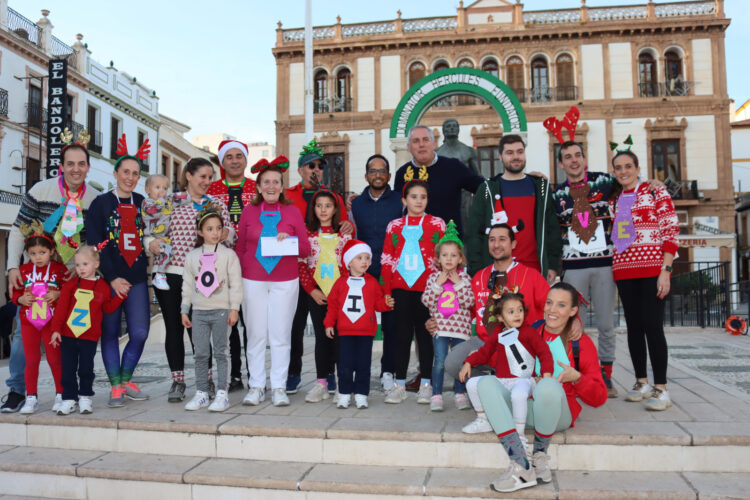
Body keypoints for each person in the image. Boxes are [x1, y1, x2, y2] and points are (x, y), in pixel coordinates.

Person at [473, 282, 607, 492]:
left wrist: (578, 378)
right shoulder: (530, 329)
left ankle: (540, 454)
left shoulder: (581, 343)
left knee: (546, 385)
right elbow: (503, 362)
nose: (552, 310)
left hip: (556, 413)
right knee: (486, 383)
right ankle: (521, 464)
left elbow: (599, 397)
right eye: (549, 303)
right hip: (523, 406)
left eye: (561, 305)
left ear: (573, 311)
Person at [2, 136, 99, 413]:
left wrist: (79, 271)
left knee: (68, 337)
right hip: (35, 278)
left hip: (69, 280)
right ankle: (17, 391)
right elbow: (17, 229)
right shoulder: (40, 191)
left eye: (81, 164)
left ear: (88, 168)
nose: (76, 169)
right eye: (70, 164)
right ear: (61, 166)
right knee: (23, 336)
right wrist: (11, 268)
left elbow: (91, 243)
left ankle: (67, 390)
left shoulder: (93, 199)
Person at [148, 157, 235, 403]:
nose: (207, 182)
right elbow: (152, 230)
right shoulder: (170, 201)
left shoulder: (216, 204)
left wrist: (227, 232)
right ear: (188, 175)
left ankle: (205, 379)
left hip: (205, 276)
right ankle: (177, 381)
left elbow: (230, 233)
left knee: (200, 331)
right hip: (171, 273)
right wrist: (150, 243)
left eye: (210, 177)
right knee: (174, 329)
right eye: (203, 176)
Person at [236, 156, 311, 407]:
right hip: (253, 279)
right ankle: (256, 385)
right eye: (266, 182)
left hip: (284, 281)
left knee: (280, 335)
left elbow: (305, 249)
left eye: (275, 182)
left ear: (282, 185)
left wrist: (287, 239)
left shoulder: (292, 211)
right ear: (258, 186)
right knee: (256, 334)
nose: (271, 186)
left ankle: (278, 386)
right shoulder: (249, 211)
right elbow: (240, 247)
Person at [610, 149, 679, 411]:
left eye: (628, 166)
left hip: (652, 270)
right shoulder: (614, 197)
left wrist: (666, 270)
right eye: (618, 167)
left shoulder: (655, 192)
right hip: (624, 270)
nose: (623, 171)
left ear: (638, 168)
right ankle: (641, 382)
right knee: (634, 329)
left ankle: (661, 388)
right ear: (614, 172)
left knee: (653, 327)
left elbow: (670, 228)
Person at [443, 223, 552, 390]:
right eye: (492, 240)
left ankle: (505, 384)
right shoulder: (480, 276)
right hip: (485, 341)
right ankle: (493, 388)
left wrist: (573, 321)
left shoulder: (530, 275)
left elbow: (552, 305)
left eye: (502, 239)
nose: (496, 245)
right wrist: (439, 320)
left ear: (513, 244)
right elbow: (466, 311)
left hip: (520, 343)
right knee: (452, 362)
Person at [86, 139, 153, 408]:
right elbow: (95, 243)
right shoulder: (101, 204)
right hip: (108, 280)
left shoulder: (144, 203)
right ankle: (116, 387)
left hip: (137, 278)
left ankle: (125, 380)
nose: (130, 177)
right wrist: (112, 277)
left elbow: (153, 233)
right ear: (116, 174)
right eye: (126, 172)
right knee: (110, 333)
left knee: (139, 332)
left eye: (135, 173)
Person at [284, 139, 352, 394]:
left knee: (328, 328)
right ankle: (293, 373)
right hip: (293, 271)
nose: (315, 170)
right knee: (294, 326)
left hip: (325, 274)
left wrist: (348, 226)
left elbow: (344, 227)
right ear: (300, 170)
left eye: (319, 167)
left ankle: (328, 374)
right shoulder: (288, 195)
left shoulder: (333, 197)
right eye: (310, 166)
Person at [459, 292, 553, 450]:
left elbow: (544, 353)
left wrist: (546, 375)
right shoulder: (498, 332)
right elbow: (485, 352)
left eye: (520, 310)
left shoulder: (529, 332)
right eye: (511, 312)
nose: (517, 314)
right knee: (472, 384)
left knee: (519, 395)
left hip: (524, 380)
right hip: (502, 380)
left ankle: (520, 435)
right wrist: (469, 362)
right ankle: (484, 420)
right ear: (501, 317)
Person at [381, 180, 445, 404]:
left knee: (426, 336)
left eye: (423, 197)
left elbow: (445, 258)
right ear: (404, 199)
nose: (418, 201)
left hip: (428, 290)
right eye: (414, 196)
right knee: (401, 337)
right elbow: (387, 259)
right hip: (401, 289)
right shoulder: (394, 226)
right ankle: (399, 384)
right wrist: (386, 289)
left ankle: (426, 383)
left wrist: (443, 288)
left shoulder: (437, 224)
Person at [465, 134, 561, 281]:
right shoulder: (487, 189)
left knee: (531, 305)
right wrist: (477, 271)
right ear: (500, 156)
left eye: (520, 151)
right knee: (497, 305)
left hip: (534, 269)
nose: (516, 156)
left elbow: (552, 229)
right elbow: (474, 233)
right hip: (498, 271)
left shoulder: (540, 187)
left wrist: (553, 265)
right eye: (509, 153)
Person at [50, 245, 127, 415]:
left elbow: (107, 308)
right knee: (68, 368)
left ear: (96, 264)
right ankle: (69, 398)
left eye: (85, 264)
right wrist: (56, 330)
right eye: (77, 265)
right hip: (68, 335)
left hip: (89, 337)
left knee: (86, 368)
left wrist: (121, 295)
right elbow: (61, 309)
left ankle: (85, 396)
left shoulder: (103, 287)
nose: (81, 268)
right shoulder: (70, 285)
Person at [180, 205, 242, 412]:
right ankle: (202, 392)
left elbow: (235, 283)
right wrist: (184, 309)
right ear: (199, 231)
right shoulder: (192, 256)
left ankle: (222, 393)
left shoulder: (229, 255)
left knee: (221, 352)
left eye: (218, 228)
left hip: (221, 311)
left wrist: (234, 308)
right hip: (199, 312)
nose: (215, 233)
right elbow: (187, 285)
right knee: (200, 353)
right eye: (209, 228)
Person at [207, 139, 257, 393]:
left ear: (246, 160)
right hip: (218, 266)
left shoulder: (257, 189)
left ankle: (255, 374)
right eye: (229, 156)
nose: (235, 160)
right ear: (222, 162)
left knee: (251, 322)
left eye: (240, 156)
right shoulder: (211, 190)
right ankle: (234, 374)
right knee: (227, 323)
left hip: (252, 264)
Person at [350, 154, 403, 391]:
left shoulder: (399, 202)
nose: (378, 175)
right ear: (366, 175)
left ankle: (388, 371)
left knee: (391, 325)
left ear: (389, 175)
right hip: (362, 274)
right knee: (360, 323)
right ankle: (357, 370)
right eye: (373, 171)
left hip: (391, 274)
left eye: (382, 171)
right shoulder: (357, 203)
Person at [324, 240, 394, 409]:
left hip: (365, 332)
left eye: (367, 258)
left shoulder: (372, 283)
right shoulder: (340, 283)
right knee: (345, 365)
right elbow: (333, 305)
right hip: (346, 332)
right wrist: (329, 324)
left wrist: (386, 304)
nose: (365, 261)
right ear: (349, 262)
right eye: (360, 258)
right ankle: (345, 393)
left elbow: (377, 304)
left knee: (363, 365)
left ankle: (362, 394)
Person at [299, 190, 352, 403]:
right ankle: (322, 382)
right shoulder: (307, 233)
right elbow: (301, 265)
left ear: (335, 209)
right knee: (322, 337)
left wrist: (340, 292)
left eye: (328, 205)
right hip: (317, 292)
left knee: (339, 336)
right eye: (318, 205)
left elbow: (350, 265)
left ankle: (342, 384)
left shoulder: (344, 235)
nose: (323, 210)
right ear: (313, 209)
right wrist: (311, 290)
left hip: (339, 293)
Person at [13, 223, 67, 414]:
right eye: (33, 253)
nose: (38, 257)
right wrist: (20, 298)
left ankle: (61, 394)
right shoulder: (24, 270)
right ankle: (31, 397)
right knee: (32, 360)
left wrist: (59, 294)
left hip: (51, 322)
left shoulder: (59, 269)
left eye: (42, 252)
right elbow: (15, 292)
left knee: (54, 359)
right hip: (28, 321)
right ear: (28, 254)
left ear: (51, 251)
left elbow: (69, 290)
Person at [420, 220, 473, 412]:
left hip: (461, 329)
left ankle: (460, 393)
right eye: (445, 255)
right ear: (438, 259)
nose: (449, 259)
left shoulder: (465, 279)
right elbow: (427, 301)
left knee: (458, 362)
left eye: (453, 255)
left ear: (460, 258)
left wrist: (458, 283)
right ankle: (436, 395)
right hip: (441, 328)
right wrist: (438, 284)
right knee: (440, 361)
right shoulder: (433, 278)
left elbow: (469, 302)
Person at [394, 125, 483, 236]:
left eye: (426, 140)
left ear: (434, 144)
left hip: (448, 244)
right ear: (409, 147)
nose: (421, 145)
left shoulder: (453, 167)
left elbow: (483, 189)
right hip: (415, 243)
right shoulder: (402, 173)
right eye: (416, 141)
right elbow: (398, 210)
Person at [141, 174, 188, 291]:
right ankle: (159, 275)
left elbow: (178, 199)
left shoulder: (167, 202)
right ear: (147, 189)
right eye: (157, 187)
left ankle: (160, 274)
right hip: (151, 236)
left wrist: (191, 197)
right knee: (166, 251)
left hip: (163, 236)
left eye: (165, 188)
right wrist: (163, 200)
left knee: (169, 251)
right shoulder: (147, 203)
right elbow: (155, 212)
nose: (161, 191)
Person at [435, 118, 480, 229]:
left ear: (458, 129)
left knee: (465, 226)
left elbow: (477, 177)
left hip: (465, 196)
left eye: (454, 126)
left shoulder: (469, 151)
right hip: (444, 197)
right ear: (444, 130)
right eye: (448, 126)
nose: (452, 128)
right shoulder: (437, 153)